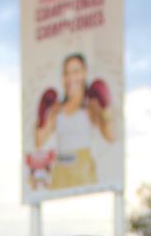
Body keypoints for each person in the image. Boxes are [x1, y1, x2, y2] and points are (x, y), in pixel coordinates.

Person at [35, 53, 114, 190]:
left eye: (76, 72)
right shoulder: (57, 109)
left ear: (84, 73)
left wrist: (104, 110)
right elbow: (39, 141)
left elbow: (110, 136)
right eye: (66, 73)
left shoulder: (90, 106)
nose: (71, 78)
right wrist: (43, 116)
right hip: (60, 169)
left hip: (83, 168)